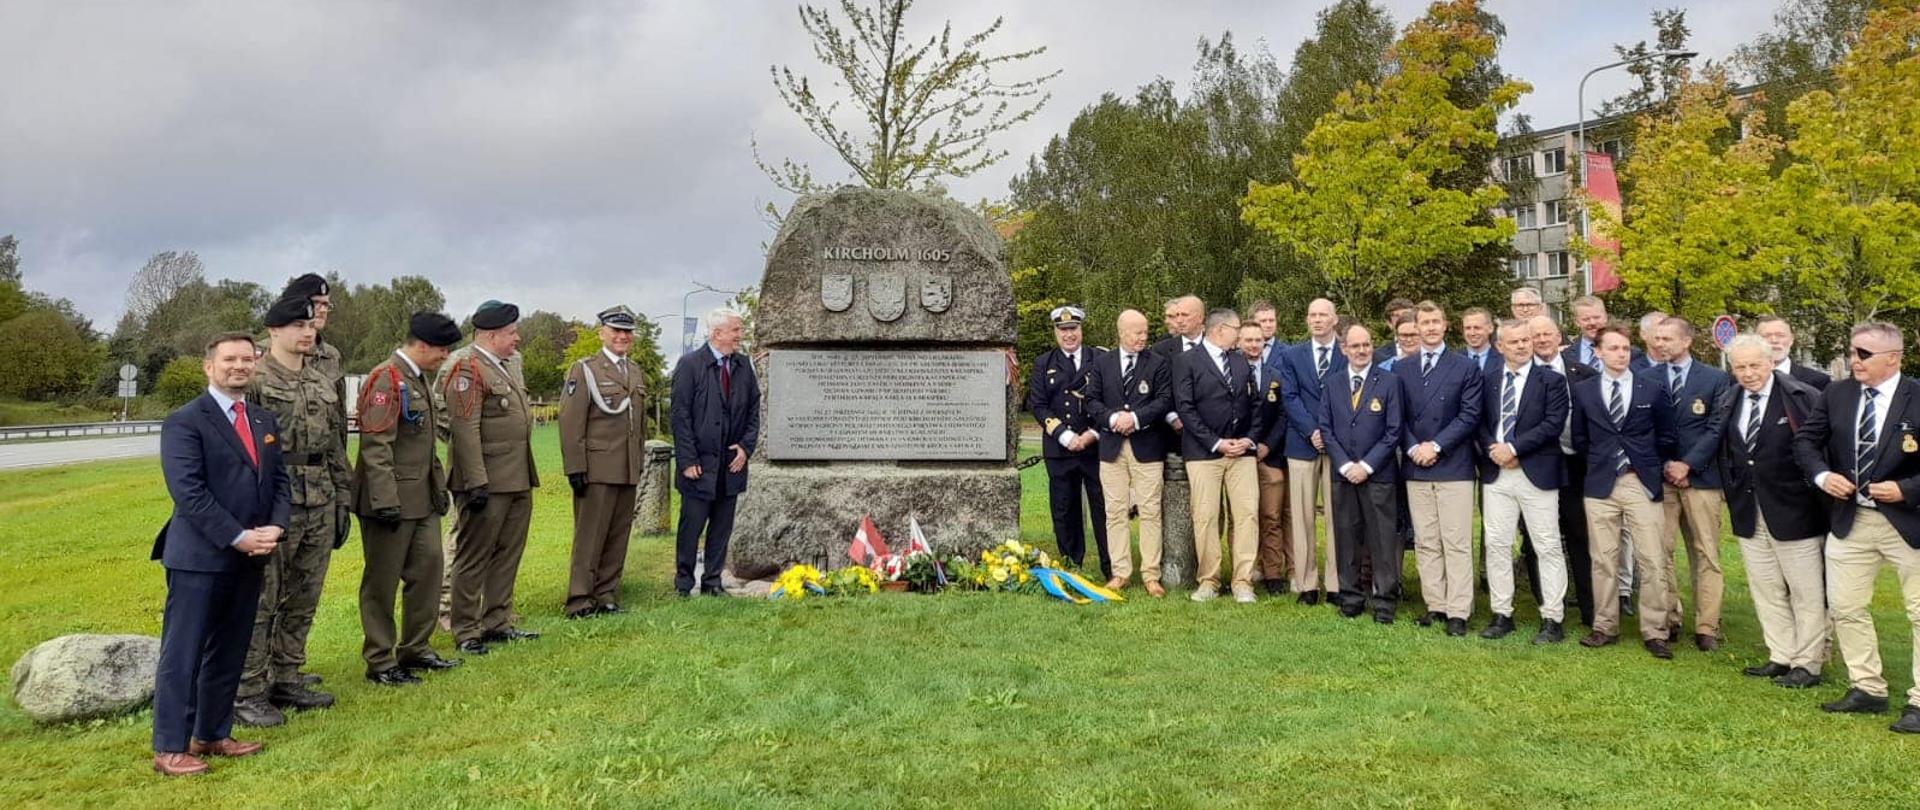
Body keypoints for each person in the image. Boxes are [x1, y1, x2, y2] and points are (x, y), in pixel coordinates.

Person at [150, 332, 287, 776]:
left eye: (247, 359)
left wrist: (275, 527)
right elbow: (189, 493)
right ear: (209, 366)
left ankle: (211, 734)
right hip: (199, 558)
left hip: (251, 556)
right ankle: (170, 746)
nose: (239, 366)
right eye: (229, 359)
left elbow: (279, 482)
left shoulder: (264, 421)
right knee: (183, 652)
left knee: (230, 650)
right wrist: (236, 536)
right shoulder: (185, 421)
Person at [1792, 322, 1920, 733]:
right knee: (1845, 606)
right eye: (1852, 352)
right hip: (1852, 520)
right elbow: (1806, 443)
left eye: (1863, 354)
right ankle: (1867, 687)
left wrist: (1905, 490)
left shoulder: (1917, 396)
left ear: (1893, 358)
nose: (1854, 360)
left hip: (1910, 522)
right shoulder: (1838, 393)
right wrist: (1822, 477)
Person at [231, 297, 349, 728]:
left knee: (304, 595)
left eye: (309, 324)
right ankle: (246, 689)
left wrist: (343, 498)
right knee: (263, 597)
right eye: (296, 325)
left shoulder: (320, 380)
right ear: (273, 330)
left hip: (319, 495)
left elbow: (335, 443)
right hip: (273, 498)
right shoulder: (255, 379)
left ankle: (287, 675)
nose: (307, 332)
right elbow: (240, 446)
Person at [355, 312, 464, 686]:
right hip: (390, 502)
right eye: (441, 348)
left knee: (429, 570)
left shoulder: (417, 380)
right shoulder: (387, 378)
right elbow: (376, 445)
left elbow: (422, 444)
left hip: (420, 499)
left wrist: (437, 489)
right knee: (382, 583)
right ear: (421, 344)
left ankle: (416, 648)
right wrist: (385, 501)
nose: (444, 356)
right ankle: (380, 660)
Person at [1716, 335, 1827, 688]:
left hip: (1795, 509)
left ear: (1770, 362)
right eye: (1740, 367)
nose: (1748, 373)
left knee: (1807, 591)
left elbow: (1818, 449)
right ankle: (1780, 655)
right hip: (1749, 508)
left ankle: (1808, 663)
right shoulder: (1727, 399)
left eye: (1754, 365)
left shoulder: (1801, 397)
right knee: (1766, 588)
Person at [1571, 325, 1678, 658]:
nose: (1622, 353)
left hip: (1639, 480)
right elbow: (1579, 438)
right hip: (1601, 482)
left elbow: (1667, 435)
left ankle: (1655, 630)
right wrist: (1602, 462)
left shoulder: (1652, 388)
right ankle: (1604, 626)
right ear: (1598, 352)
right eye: (1614, 348)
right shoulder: (1584, 390)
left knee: (1652, 558)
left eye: (1626, 347)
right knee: (1603, 558)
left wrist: (1645, 463)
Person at [443, 300, 541, 655]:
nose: (517, 338)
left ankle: (497, 621)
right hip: (486, 481)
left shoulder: (503, 366)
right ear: (491, 334)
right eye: (512, 332)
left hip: (515, 477)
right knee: (474, 555)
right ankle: (466, 629)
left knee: (507, 553)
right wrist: (476, 481)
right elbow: (465, 430)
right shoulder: (468, 368)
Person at [1477, 319, 1570, 643]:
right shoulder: (1488, 380)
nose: (1521, 346)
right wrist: (1495, 449)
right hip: (1497, 474)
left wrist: (1515, 448)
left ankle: (1552, 618)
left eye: (1525, 340)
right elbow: (1479, 422)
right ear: (1500, 346)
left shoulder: (1552, 380)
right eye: (1513, 341)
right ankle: (1502, 613)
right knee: (1498, 544)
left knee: (1546, 546)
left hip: (1536, 473)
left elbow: (1553, 424)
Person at [1645, 316, 1731, 651]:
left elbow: (1716, 427)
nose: (1660, 344)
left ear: (1686, 341)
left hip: (1701, 478)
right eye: (1657, 338)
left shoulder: (1715, 378)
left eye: (1667, 338)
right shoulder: (1646, 377)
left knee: (1706, 552)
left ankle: (1707, 625)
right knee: (1661, 551)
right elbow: (1643, 427)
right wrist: (1666, 464)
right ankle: (1669, 617)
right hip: (1661, 478)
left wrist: (1688, 464)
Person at [1397, 302, 1482, 635]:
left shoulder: (1464, 367)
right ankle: (1436, 604)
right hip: (1416, 466)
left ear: (1445, 325)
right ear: (1415, 327)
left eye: (1435, 321)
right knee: (1427, 540)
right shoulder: (1403, 370)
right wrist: (1414, 447)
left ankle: (1459, 609)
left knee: (1456, 540)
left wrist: (1436, 446)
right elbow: (1396, 417)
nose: (1430, 327)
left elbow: (1469, 415)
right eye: (1424, 322)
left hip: (1453, 465)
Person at [559, 305, 649, 618]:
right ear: (602, 333)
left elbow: (639, 424)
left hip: (626, 467)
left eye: (627, 332)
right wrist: (575, 466)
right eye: (616, 331)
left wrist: (638, 463)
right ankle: (580, 600)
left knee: (617, 534)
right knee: (590, 536)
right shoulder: (584, 369)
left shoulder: (635, 371)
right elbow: (571, 422)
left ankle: (607, 593)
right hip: (596, 469)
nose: (623, 337)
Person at [1174, 309, 1265, 603]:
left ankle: (1242, 581)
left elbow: (1255, 405)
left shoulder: (1240, 361)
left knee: (1247, 516)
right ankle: (1209, 580)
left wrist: (1248, 439)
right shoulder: (1186, 361)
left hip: (1242, 454)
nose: (1241, 335)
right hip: (1204, 453)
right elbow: (1185, 409)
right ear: (1221, 329)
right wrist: (1216, 443)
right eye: (1237, 329)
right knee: (1206, 517)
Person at [671, 307, 760, 596]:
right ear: (717, 333)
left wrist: (746, 448)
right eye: (736, 330)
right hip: (698, 465)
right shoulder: (690, 365)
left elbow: (754, 411)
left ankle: (712, 581)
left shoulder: (744, 366)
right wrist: (687, 459)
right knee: (691, 527)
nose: (740, 335)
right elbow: (680, 416)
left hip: (730, 466)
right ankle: (684, 582)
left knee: (721, 528)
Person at [1085, 309, 1174, 595]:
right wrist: (1113, 420)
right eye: (1137, 332)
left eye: (1145, 332)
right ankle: (1120, 572)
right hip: (1111, 448)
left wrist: (1134, 419)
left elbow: (1163, 400)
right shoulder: (1102, 363)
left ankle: (1151, 574)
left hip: (1147, 446)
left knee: (1150, 511)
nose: (1143, 337)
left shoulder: (1158, 363)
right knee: (1114, 512)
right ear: (1122, 332)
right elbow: (1091, 401)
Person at [1319, 321, 1403, 622]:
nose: (1362, 350)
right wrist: (1344, 465)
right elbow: (1326, 429)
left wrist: (1366, 465)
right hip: (1343, 475)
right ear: (1344, 350)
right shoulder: (1333, 384)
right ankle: (1351, 598)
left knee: (1381, 540)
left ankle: (1384, 603)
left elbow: (1393, 431)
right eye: (1355, 346)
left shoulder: (1389, 382)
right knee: (1346, 537)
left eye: (1366, 344)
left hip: (1378, 474)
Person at [1527, 315, 1598, 628]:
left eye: (1547, 334)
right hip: (1532, 466)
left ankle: (1589, 609)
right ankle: (1547, 607)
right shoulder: (1517, 375)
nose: (1542, 340)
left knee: (1580, 538)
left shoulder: (1584, 374)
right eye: (1536, 335)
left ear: (1559, 338)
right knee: (1535, 539)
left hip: (1574, 466)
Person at [1028, 305, 1109, 575]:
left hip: (1094, 446)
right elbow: (1038, 404)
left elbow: (1109, 400)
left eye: (1073, 329)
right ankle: (1071, 566)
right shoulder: (1044, 363)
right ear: (1055, 332)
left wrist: (1091, 433)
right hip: (1060, 449)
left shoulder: (1100, 359)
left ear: (1081, 329)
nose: (1069, 335)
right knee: (1065, 510)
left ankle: (1112, 567)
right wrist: (1064, 434)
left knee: (1104, 509)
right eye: (1063, 330)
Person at [1279, 298, 1342, 604]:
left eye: (1323, 315)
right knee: (1301, 517)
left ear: (1335, 319)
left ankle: (1336, 584)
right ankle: (1306, 584)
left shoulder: (1347, 352)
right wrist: (1312, 431)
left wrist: (1328, 433)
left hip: (1339, 446)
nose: (1317, 320)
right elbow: (1289, 397)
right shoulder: (1292, 355)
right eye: (1312, 315)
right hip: (1302, 444)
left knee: (1336, 515)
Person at [1243, 321, 1291, 594]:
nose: (1253, 345)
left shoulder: (1276, 374)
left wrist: (1267, 446)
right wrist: (1247, 444)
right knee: (1244, 518)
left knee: (1271, 515)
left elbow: (1284, 414)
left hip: (1269, 456)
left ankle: (1273, 572)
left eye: (1258, 340)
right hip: (1239, 454)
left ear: (1265, 343)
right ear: (1239, 342)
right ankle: (1246, 571)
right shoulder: (1232, 372)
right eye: (1248, 340)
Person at [1563, 296, 1649, 372]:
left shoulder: (1633, 354)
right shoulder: (1565, 356)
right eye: (1586, 319)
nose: (1592, 322)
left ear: (1605, 317)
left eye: (1597, 317)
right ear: (1576, 322)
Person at [1757, 315, 1833, 390]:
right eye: (1766, 336)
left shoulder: (1817, 381)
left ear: (1791, 340)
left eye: (1780, 335)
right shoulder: (1746, 380)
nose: (1774, 340)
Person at [1249, 300, 1287, 367]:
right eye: (1263, 321)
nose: (1268, 325)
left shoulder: (1288, 353)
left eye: (1271, 320)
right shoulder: (1239, 354)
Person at [1459, 307, 1497, 372]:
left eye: (1477, 328)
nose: (1472, 333)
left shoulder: (1504, 360)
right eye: (1468, 328)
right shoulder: (1453, 360)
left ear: (1490, 328)